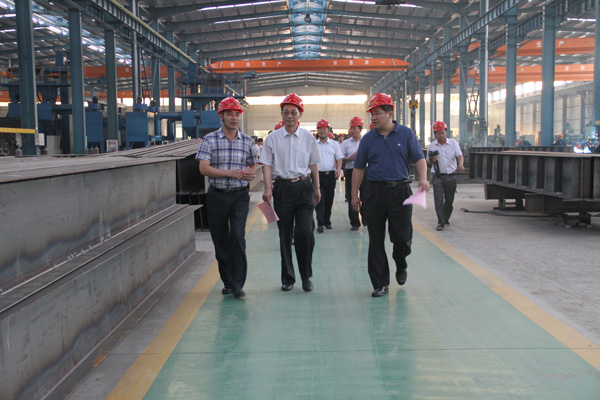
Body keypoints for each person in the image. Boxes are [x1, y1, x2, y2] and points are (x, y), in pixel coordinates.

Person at [351, 93, 430, 297]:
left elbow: (419, 159)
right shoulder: (368, 139)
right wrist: (354, 195)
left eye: (377, 113)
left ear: (389, 113)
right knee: (375, 239)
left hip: (400, 192)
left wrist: (423, 178)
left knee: (402, 238)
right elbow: (358, 168)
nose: (373, 118)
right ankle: (380, 283)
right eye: (372, 114)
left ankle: (401, 262)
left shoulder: (406, 134)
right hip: (374, 192)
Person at [196, 97, 258, 299]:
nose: (234, 118)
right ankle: (228, 282)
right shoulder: (210, 140)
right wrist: (230, 173)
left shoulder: (247, 141)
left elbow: (252, 165)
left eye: (237, 114)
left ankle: (238, 284)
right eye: (229, 114)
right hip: (217, 196)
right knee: (220, 240)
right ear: (221, 117)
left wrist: (250, 173)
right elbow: (204, 168)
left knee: (237, 237)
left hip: (239, 196)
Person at [260, 93, 321, 292]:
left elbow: (313, 164)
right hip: (282, 188)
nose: (289, 116)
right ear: (281, 114)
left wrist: (317, 188)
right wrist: (268, 188)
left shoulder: (308, 138)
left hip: (304, 187)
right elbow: (267, 165)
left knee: (305, 233)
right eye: (286, 112)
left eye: (293, 112)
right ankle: (288, 278)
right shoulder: (273, 138)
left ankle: (306, 275)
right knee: (284, 234)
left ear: (300, 114)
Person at [427, 121, 465, 231]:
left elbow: (459, 155)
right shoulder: (431, 146)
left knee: (449, 201)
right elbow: (427, 161)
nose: (441, 135)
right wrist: (432, 160)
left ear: (446, 132)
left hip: (451, 176)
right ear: (435, 134)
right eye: (438, 133)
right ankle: (441, 222)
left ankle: (445, 218)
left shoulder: (453, 143)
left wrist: (460, 164)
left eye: (442, 133)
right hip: (438, 177)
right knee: (438, 200)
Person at [315, 119, 343, 233]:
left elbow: (339, 157)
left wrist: (339, 168)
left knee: (329, 199)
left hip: (330, 175)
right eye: (320, 129)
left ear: (328, 130)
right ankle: (320, 222)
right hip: (317, 175)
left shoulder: (334, 144)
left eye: (324, 129)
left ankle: (327, 220)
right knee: (319, 199)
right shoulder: (313, 144)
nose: (322, 131)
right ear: (317, 130)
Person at [341, 116, 364, 231]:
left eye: (354, 128)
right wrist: (349, 159)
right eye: (351, 128)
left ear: (360, 129)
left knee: (366, 195)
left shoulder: (365, 141)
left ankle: (365, 217)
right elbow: (341, 158)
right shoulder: (345, 144)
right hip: (351, 170)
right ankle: (354, 222)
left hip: (365, 171)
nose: (352, 130)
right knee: (352, 195)